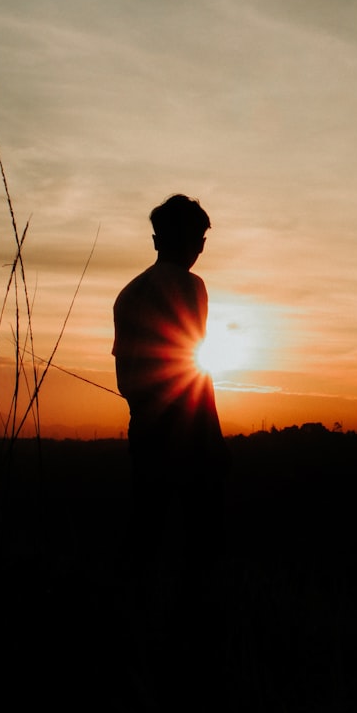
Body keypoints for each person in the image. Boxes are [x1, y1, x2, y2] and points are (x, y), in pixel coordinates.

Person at [112, 194, 227, 595]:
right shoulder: (191, 286)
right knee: (200, 538)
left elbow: (125, 376)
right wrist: (211, 438)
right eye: (197, 238)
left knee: (145, 528)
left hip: (143, 427)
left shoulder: (128, 292)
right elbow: (192, 362)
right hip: (188, 430)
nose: (198, 248)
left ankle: (126, 607)